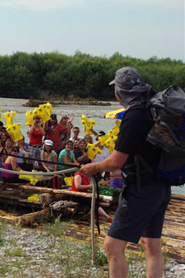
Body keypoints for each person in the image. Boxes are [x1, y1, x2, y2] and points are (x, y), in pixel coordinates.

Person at [81, 67, 169, 278]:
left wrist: (92, 167)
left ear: (119, 91)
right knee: (151, 246)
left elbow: (116, 161)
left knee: (112, 246)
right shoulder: (154, 108)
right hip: (161, 187)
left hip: (141, 190)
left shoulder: (135, 114)